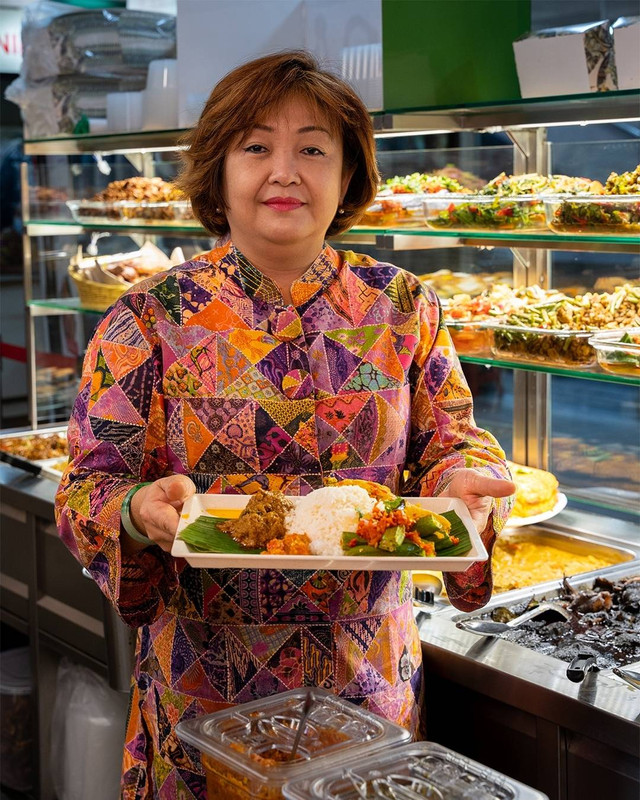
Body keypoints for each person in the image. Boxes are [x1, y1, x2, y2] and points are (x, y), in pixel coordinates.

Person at [55, 50, 515, 799]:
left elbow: (452, 441)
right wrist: (135, 512)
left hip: (368, 683)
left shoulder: (404, 306)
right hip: (202, 690)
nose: (285, 172)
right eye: (256, 146)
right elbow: (87, 488)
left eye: (313, 149)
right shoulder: (148, 317)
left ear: (349, 173)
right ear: (218, 170)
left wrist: (463, 483)